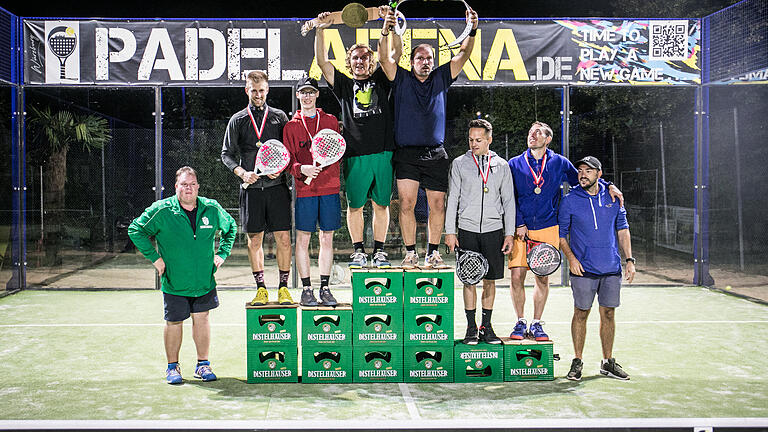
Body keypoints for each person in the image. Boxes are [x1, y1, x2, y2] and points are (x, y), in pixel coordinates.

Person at [379, 6, 479, 268]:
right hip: (407, 154)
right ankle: (411, 252)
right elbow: (384, 60)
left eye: (429, 58)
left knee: (438, 204)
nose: (426, 62)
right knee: (407, 204)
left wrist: (473, 29)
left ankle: (433, 253)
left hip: (435, 153)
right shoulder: (400, 78)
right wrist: (387, 28)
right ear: (411, 62)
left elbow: (465, 53)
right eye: (420, 58)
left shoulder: (441, 77)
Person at [507, 121, 624, 341]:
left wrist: (608, 184)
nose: (533, 134)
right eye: (531, 131)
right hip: (520, 229)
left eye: (538, 132)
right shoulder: (514, 163)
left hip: (548, 226)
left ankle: (537, 323)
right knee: (516, 277)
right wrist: (518, 222)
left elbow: (583, 180)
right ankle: (520, 321)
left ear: (548, 139)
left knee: (542, 278)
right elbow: (508, 195)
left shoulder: (559, 162)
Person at [128, 166, 237, 384]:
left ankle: (203, 365)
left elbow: (231, 227)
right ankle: (172, 367)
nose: (188, 188)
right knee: (174, 321)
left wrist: (222, 255)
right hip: (175, 281)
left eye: (192, 184)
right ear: (176, 187)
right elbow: (135, 229)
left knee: (202, 319)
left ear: (198, 186)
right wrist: (156, 259)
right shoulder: (162, 210)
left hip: (203, 280)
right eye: (184, 184)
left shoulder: (211, 208)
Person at [314, 7, 396, 269]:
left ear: (370, 61)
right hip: (354, 155)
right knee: (355, 207)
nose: (360, 61)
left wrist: (386, 27)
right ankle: (359, 250)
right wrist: (321, 29)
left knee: (381, 205)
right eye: (355, 58)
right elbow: (322, 62)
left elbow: (389, 55)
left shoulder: (383, 79)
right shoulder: (344, 85)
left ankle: (380, 251)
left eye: (364, 57)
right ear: (349, 62)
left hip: (383, 152)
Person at [558, 156, 636, 381]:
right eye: (580, 170)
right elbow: (562, 236)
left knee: (608, 314)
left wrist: (629, 260)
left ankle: (607, 362)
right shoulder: (570, 200)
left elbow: (623, 229)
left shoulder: (613, 197)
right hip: (583, 269)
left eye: (588, 171)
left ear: (599, 174)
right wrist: (571, 259)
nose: (583, 174)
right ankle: (577, 360)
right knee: (581, 313)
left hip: (611, 268)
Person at [221, 70, 293, 306]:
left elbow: (288, 152)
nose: (258, 95)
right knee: (255, 241)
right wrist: (242, 172)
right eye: (254, 91)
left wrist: (281, 168)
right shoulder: (238, 119)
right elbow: (226, 155)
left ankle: (283, 288)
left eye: (262, 90)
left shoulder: (280, 117)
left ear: (268, 89)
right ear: (247, 90)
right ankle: (261, 288)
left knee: (284, 238)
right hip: (251, 190)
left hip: (277, 187)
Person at [445, 119, 515, 345]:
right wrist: (450, 231)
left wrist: (509, 233)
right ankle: (471, 328)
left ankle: (487, 327)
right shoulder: (459, 163)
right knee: (468, 280)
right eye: (470, 140)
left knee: (490, 280)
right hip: (467, 229)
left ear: (489, 140)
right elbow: (452, 198)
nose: (473, 144)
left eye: (478, 140)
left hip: (494, 230)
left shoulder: (502, 165)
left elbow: (509, 201)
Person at [282, 76, 340, 307]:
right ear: (298, 96)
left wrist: (323, 166)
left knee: (327, 237)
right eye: (303, 92)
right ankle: (307, 289)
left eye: (311, 92)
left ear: (317, 95)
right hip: (305, 189)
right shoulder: (291, 126)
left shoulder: (331, 120)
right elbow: (287, 159)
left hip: (328, 187)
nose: (307, 96)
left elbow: (337, 150)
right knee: (303, 239)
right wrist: (300, 168)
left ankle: (325, 288)